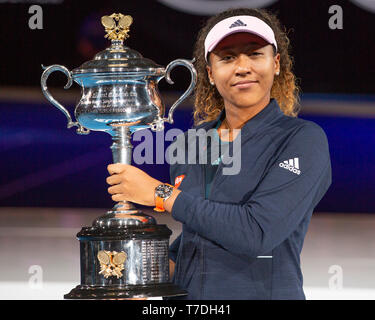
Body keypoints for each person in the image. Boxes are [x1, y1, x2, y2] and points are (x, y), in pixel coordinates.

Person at [106, 8, 332, 300]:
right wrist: (133, 270)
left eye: (254, 54)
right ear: (210, 74)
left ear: (275, 64)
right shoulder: (190, 144)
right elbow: (194, 245)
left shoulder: (302, 140)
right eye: (227, 58)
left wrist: (161, 195)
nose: (242, 67)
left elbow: (257, 232)